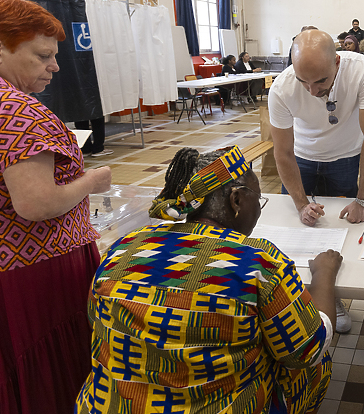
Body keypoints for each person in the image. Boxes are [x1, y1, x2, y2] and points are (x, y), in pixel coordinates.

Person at [75, 146, 341, 414]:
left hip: (107, 406)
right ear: (236, 200)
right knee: (314, 365)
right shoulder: (259, 261)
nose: (258, 211)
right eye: (258, 200)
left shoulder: (123, 248)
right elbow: (309, 350)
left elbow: (93, 319)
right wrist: (324, 274)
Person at [0, 0, 112, 413]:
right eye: (43, 55)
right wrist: (91, 181)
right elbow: (37, 204)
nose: (55, 66)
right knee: (41, 380)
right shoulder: (13, 107)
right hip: (29, 278)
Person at [268, 30, 364, 333]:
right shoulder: (281, 88)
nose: (311, 90)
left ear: (337, 61)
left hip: (345, 157)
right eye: (303, 80)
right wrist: (301, 203)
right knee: (297, 228)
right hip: (300, 157)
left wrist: (363, 199)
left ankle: (332, 296)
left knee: (339, 233)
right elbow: (282, 152)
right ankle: (289, 298)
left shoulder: (362, 70)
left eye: (320, 81)